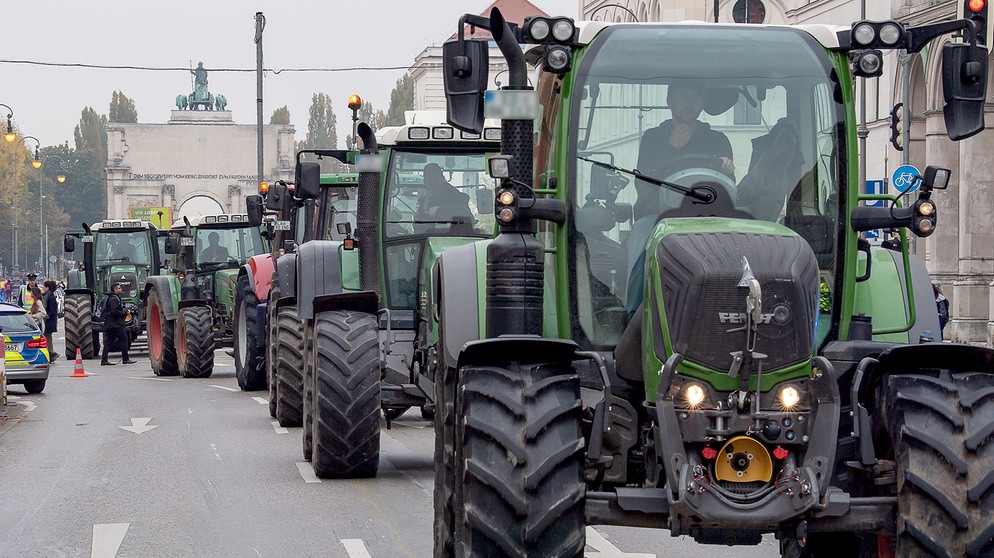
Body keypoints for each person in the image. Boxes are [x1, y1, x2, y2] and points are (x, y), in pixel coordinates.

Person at [634, 82, 735, 220]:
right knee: (640, 234)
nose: (689, 103)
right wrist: (671, 147)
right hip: (658, 216)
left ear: (702, 103)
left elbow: (730, 189)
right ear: (669, 101)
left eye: (696, 98)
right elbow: (642, 185)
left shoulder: (718, 140)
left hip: (708, 216)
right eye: (683, 97)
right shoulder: (652, 137)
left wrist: (726, 169)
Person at [417, 163, 473, 231]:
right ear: (424, 182)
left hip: (456, 237)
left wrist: (440, 210)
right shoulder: (423, 202)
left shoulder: (459, 197)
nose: (433, 183)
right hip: (428, 238)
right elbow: (419, 228)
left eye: (435, 178)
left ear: (442, 178)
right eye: (429, 180)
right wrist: (425, 207)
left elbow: (468, 217)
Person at [101, 283, 137, 366]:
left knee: (108, 342)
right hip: (115, 324)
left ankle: (104, 360)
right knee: (124, 340)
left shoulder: (113, 298)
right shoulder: (114, 299)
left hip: (111, 324)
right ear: (115, 290)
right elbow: (115, 311)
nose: (121, 289)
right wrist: (124, 312)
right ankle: (125, 359)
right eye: (119, 288)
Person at [42, 280, 60, 362]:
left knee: (47, 338)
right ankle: (51, 354)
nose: (43, 288)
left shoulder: (50, 297)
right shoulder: (47, 296)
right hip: (48, 321)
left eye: (44, 287)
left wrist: (47, 316)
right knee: (48, 338)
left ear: (47, 288)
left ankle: (52, 354)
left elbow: (52, 310)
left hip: (49, 322)